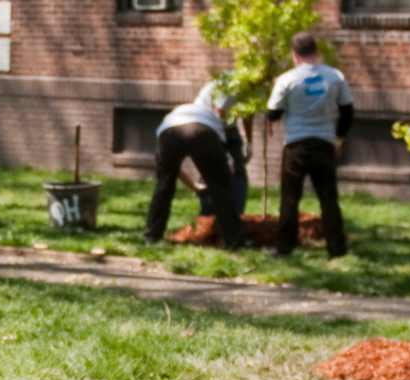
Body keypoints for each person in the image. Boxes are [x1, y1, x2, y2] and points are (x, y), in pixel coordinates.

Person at [267, 31, 353, 258]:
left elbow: (272, 113)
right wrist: (339, 138)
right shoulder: (335, 76)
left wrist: (288, 108)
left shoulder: (286, 79)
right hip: (325, 143)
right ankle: (336, 249)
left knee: (290, 198)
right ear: (317, 51)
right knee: (328, 199)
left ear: (294, 55)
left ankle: (284, 248)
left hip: (296, 145)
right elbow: (348, 112)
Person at [144, 84, 246, 249]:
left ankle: (152, 236)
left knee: (164, 184)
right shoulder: (213, 118)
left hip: (169, 132)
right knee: (221, 186)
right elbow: (220, 166)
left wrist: (193, 187)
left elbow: (174, 172)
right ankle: (234, 240)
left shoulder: (177, 113)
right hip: (203, 131)